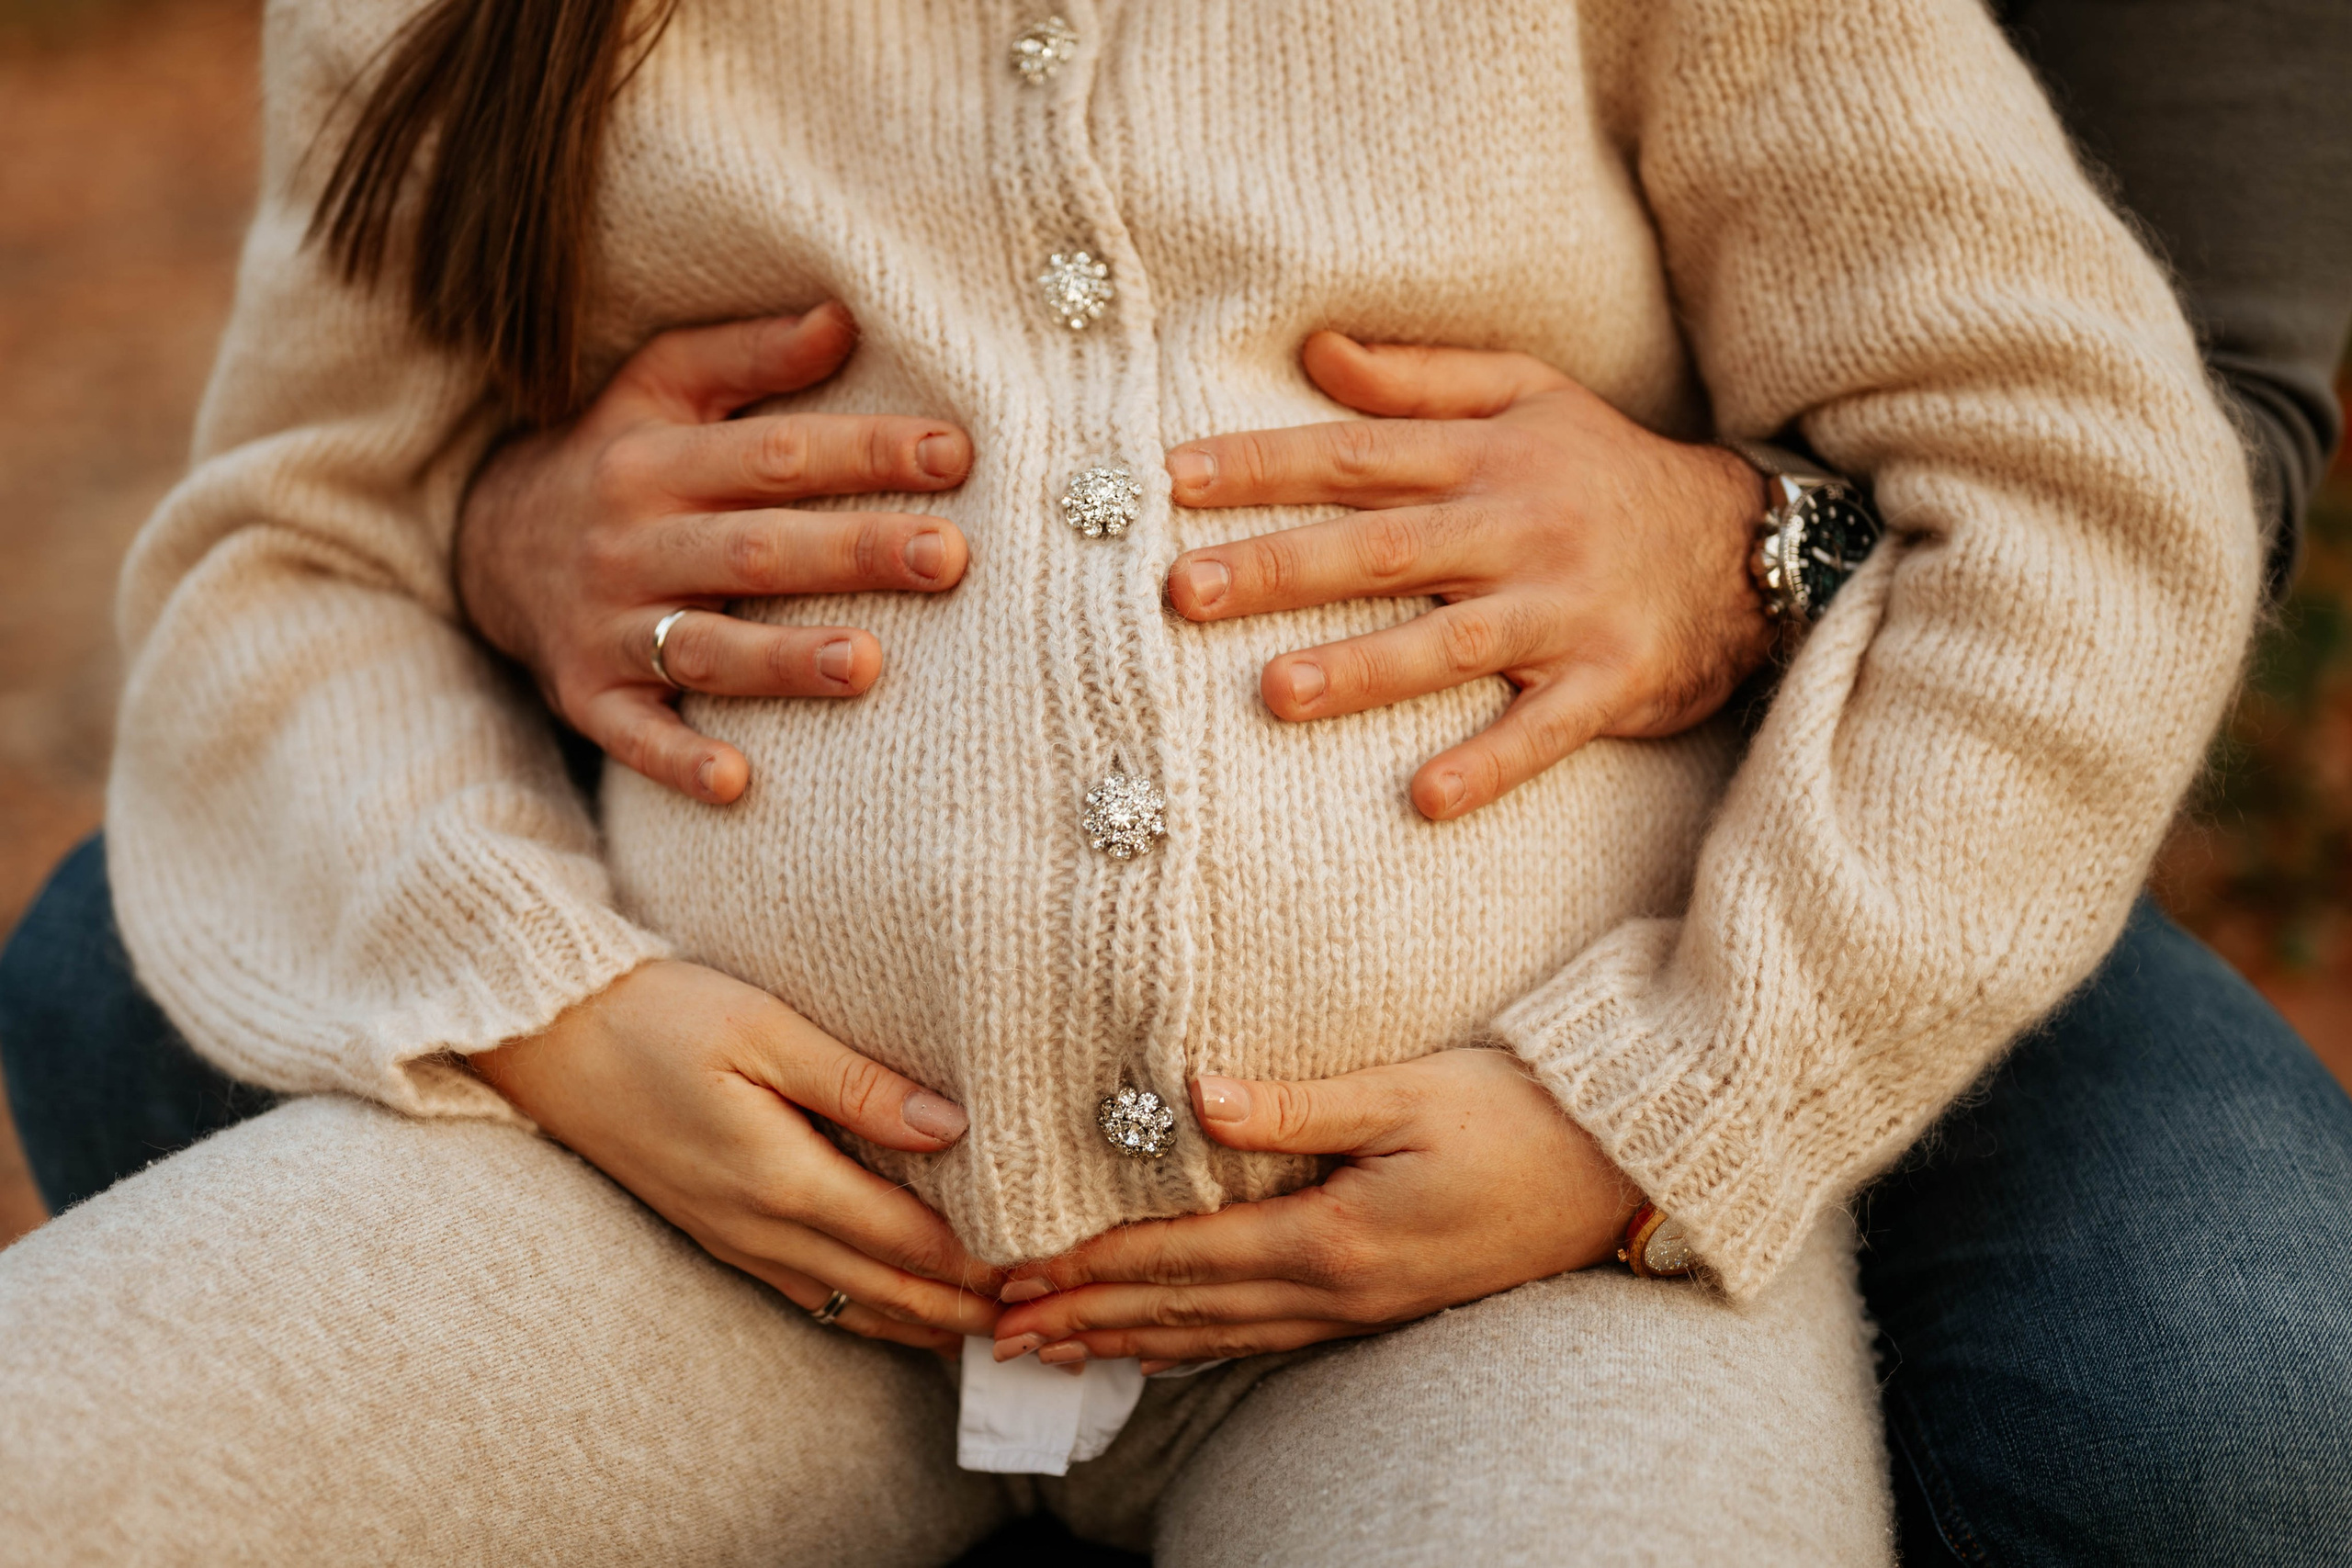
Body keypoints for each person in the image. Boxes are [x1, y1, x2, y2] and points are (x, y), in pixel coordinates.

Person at [0, 1, 2311, 1562]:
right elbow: (282, 551)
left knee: (2231, 1381)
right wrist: (542, 990)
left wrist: (1663, 1103)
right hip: (701, 1236)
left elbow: (2072, 486)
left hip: (1488, 1273)